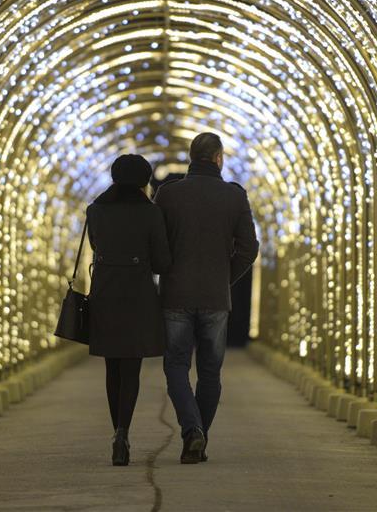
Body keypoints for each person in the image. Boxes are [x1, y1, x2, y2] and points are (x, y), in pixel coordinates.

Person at [153, 132, 259, 464]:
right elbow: (249, 248)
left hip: (176, 294)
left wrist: (166, 271)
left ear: (191, 157)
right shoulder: (234, 196)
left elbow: (157, 244)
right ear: (218, 158)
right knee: (210, 372)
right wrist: (224, 278)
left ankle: (192, 430)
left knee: (176, 365)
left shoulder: (168, 195)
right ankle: (198, 437)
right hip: (215, 298)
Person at [86, 154, 171, 466]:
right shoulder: (151, 213)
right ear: (144, 181)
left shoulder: (95, 210)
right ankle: (123, 430)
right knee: (131, 367)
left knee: (112, 367)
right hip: (138, 296)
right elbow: (162, 262)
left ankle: (117, 434)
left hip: (105, 293)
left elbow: (96, 247)